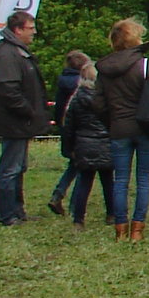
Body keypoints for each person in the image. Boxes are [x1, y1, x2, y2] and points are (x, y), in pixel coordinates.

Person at [96, 17, 149, 241]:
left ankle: (120, 228)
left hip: (119, 128)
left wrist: (111, 121)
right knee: (143, 179)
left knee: (120, 180)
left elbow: (98, 104)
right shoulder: (146, 66)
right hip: (145, 128)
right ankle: (137, 229)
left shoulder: (104, 69)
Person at [0, 9, 50, 226]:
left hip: (19, 122)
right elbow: (8, 90)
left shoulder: (15, 51)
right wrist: (28, 111)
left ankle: (18, 211)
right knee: (10, 168)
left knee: (18, 167)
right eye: (30, 28)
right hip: (14, 122)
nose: (34, 32)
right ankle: (7, 214)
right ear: (18, 30)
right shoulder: (8, 54)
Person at [56, 55, 113, 227]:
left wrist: (69, 148)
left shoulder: (76, 99)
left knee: (84, 182)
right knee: (108, 182)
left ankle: (78, 219)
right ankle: (111, 214)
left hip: (84, 144)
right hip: (105, 143)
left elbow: (69, 126)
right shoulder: (107, 98)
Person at [45, 49, 89, 217]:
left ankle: (59, 194)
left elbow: (58, 109)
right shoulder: (83, 84)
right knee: (83, 166)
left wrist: (61, 126)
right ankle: (74, 204)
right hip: (81, 129)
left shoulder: (62, 82)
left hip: (67, 128)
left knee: (74, 164)